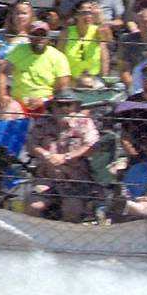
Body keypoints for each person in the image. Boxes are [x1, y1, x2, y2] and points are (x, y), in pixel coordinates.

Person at [25, 89, 100, 223]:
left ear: (75, 107)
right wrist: (46, 155)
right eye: (60, 105)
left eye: (68, 104)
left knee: (72, 211)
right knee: (33, 206)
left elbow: (91, 145)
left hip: (75, 181)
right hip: (47, 178)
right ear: (53, 107)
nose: (64, 108)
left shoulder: (84, 122)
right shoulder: (43, 122)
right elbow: (31, 144)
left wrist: (66, 157)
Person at [0, 21, 71, 114]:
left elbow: (62, 89)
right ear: (29, 36)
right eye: (35, 34)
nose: (39, 38)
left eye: (43, 34)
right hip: (18, 104)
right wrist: (2, 94)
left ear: (48, 37)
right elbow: (3, 72)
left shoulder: (58, 56)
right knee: (7, 113)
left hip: (47, 106)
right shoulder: (19, 50)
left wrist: (43, 101)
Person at [57, 0, 109, 88]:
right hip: (71, 80)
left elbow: (107, 37)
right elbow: (58, 56)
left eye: (90, 13)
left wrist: (100, 19)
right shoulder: (67, 33)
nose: (88, 16)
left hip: (93, 80)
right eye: (84, 13)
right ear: (76, 15)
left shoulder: (97, 31)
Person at [117, 7, 147, 88]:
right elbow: (124, 70)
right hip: (134, 85)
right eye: (144, 22)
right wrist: (134, 89)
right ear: (138, 24)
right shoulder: (127, 41)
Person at [0, 0, 35, 68]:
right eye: (17, 13)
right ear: (12, 16)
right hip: (3, 73)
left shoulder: (35, 36)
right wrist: (0, 62)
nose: (20, 16)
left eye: (24, 13)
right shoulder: (1, 36)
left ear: (31, 16)